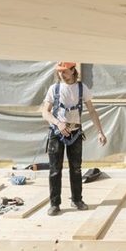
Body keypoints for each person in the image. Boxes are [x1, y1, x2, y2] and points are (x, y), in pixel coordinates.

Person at [41, 62, 107, 216]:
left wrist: (100, 132)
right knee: (55, 170)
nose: (61, 75)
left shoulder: (81, 88)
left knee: (76, 169)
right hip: (57, 134)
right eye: (59, 72)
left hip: (75, 133)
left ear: (72, 71)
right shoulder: (54, 89)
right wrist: (58, 123)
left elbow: (91, 111)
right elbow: (45, 112)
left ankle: (77, 199)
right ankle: (54, 204)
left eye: (64, 71)